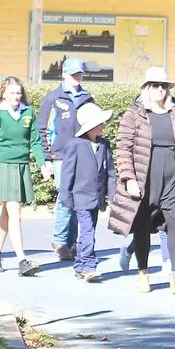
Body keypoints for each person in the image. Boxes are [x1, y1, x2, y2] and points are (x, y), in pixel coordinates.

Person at [107, 67, 175, 295]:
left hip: (174, 178)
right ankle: (143, 272)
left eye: (164, 86)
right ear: (146, 89)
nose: (160, 90)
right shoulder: (134, 114)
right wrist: (128, 178)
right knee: (141, 227)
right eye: (155, 86)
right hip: (145, 178)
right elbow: (123, 148)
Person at [0, 76, 46, 276]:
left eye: (18, 92)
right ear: (3, 93)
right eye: (12, 93)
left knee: (8, 212)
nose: (16, 96)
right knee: (15, 211)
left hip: (22, 166)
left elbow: (35, 141)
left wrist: (43, 164)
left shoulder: (29, 113)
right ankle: (22, 260)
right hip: (3, 167)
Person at [36, 57, 94, 261]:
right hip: (61, 155)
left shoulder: (88, 97)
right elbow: (41, 130)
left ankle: (72, 243)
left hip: (83, 155)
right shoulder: (53, 98)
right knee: (64, 198)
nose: (77, 77)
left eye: (79, 74)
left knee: (79, 199)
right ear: (64, 74)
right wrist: (46, 158)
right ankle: (59, 241)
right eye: (73, 74)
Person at [60, 102, 115, 282]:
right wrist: (66, 196)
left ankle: (80, 265)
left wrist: (112, 195)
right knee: (87, 230)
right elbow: (67, 173)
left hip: (97, 198)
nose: (103, 126)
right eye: (99, 123)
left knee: (87, 230)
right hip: (80, 196)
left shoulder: (104, 144)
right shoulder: (76, 145)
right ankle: (89, 265)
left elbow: (110, 172)